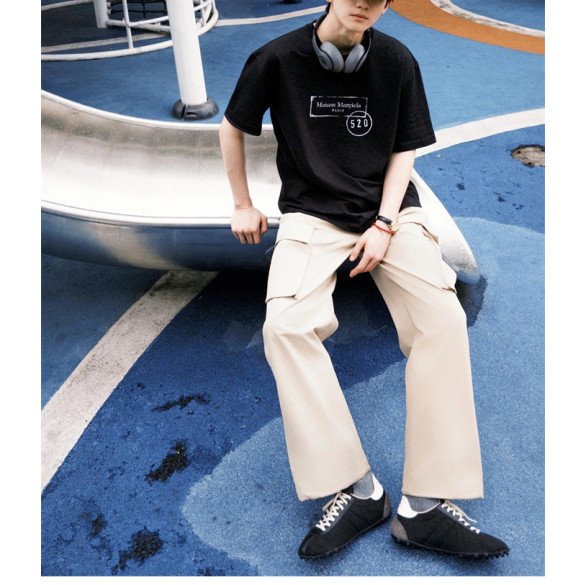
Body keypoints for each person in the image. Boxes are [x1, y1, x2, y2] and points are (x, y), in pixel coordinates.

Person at [219, 0, 509, 560]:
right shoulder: (275, 58)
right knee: (285, 328)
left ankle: (425, 506)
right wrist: (241, 203)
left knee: (442, 319)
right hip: (311, 212)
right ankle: (357, 490)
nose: (365, 4)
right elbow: (232, 128)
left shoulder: (397, 60)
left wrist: (384, 223)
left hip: (389, 211)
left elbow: (404, 147)